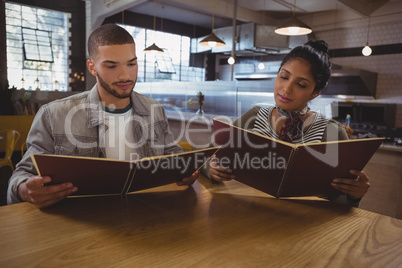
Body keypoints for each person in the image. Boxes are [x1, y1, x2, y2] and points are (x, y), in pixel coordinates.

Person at [7, 24, 198, 208]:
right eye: (112, 66)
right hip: (81, 222)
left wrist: (191, 169)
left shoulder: (154, 108)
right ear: (92, 67)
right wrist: (25, 190)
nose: (125, 75)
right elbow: (21, 176)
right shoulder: (53, 114)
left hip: (147, 216)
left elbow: (174, 154)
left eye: (131, 64)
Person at [204, 40, 370, 207]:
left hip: (306, 224)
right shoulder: (254, 117)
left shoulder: (331, 131)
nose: (286, 88)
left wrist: (354, 196)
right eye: (284, 77)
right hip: (249, 214)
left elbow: (340, 202)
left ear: (315, 92)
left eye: (301, 84)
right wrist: (212, 169)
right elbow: (206, 157)